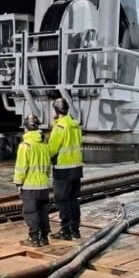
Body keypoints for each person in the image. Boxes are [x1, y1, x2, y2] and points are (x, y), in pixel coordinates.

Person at [48, 98, 84, 240]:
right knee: (73, 199)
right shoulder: (75, 125)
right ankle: (75, 230)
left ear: (56, 111)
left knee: (61, 200)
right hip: (76, 167)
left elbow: (52, 149)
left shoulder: (61, 127)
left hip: (63, 168)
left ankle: (65, 231)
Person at [14, 114, 51, 247]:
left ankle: (34, 238)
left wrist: (18, 182)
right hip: (43, 184)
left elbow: (21, 167)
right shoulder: (44, 144)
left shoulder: (25, 145)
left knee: (31, 212)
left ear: (25, 128)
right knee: (42, 211)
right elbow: (48, 165)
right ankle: (45, 237)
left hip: (30, 186)